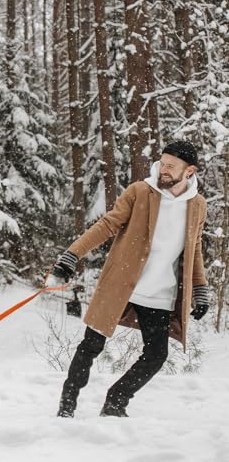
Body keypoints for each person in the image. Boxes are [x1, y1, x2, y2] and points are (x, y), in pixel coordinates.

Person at [51, 140, 210, 418]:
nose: (164, 169)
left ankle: (116, 401)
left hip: (161, 294)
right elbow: (107, 224)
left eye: (171, 165)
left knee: (156, 355)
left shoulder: (197, 205)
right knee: (91, 346)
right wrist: (72, 255)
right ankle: (68, 403)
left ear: (190, 171)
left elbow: (194, 249)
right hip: (122, 287)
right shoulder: (140, 192)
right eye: (162, 162)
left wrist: (200, 289)